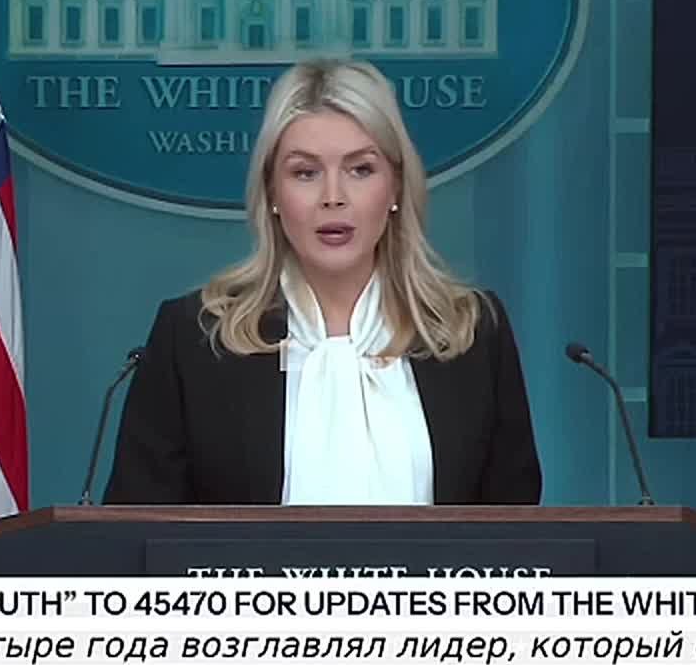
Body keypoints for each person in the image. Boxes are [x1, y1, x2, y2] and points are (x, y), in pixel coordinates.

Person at [103, 59, 541, 506]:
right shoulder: (194, 339)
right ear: (272, 193)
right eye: (305, 173)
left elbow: (517, 529)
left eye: (360, 170)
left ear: (395, 187)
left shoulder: (473, 333)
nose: (333, 197)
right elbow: (135, 531)